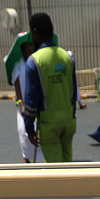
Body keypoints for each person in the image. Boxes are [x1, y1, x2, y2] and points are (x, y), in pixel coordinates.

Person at [24, 13, 77, 162]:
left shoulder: (34, 61)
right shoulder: (67, 57)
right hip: (68, 120)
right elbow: (73, 91)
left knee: (57, 172)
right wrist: (72, 114)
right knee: (68, 165)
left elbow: (31, 98)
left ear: (34, 32)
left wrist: (29, 128)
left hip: (49, 124)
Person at [11, 39, 44, 162]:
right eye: (28, 51)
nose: (31, 53)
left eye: (32, 50)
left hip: (37, 107)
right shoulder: (18, 65)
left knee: (40, 137)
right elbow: (17, 87)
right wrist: (22, 105)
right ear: (23, 53)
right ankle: (27, 163)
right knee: (25, 137)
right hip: (24, 109)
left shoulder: (36, 63)